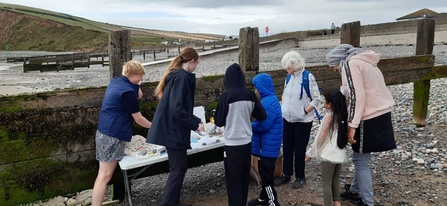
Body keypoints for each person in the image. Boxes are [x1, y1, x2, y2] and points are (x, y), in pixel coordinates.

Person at [326, 44, 396, 206]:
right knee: (363, 156)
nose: (334, 69)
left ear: (340, 60)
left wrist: (352, 126)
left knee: (360, 162)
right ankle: (355, 190)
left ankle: (367, 202)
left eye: (333, 65)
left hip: (367, 117)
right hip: (381, 114)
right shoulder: (367, 62)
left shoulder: (350, 65)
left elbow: (357, 97)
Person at [146, 47, 204, 206]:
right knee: (178, 170)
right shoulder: (181, 78)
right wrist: (195, 125)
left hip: (172, 130)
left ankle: (174, 202)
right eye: (196, 63)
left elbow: (179, 108)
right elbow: (177, 110)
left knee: (178, 168)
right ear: (191, 61)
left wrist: (196, 119)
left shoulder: (177, 76)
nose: (196, 67)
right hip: (173, 132)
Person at [92, 60, 152, 206]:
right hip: (113, 136)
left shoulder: (117, 82)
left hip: (103, 133)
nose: (142, 79)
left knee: (103, 175)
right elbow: (138, 119)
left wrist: (137, 84)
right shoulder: (127, 92)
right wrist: (155, 127)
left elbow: (140, 95)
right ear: (131, 74)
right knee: (104, 176)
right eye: (140, 76)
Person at [214, 63, 267, 206]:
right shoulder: (250, 94)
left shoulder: (226, 96)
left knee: (233, 181)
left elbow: (218, 121)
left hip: (232, 144)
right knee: (244, 179)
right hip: (246, 142)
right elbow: (262, 115)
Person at [274, 51, 323, 189]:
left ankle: (300, 176)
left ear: (294, 64)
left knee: (299, 148)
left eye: (287, 66)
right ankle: (286, 173)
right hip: (287, 118)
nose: (285, 69)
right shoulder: (288, 77)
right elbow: (284, 94)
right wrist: (283, 107)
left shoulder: (308, 77)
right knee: (287, 147)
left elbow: (318, 98)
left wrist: (304, 111)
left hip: (303, 120)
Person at [305, 88, 349, 206]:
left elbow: (321, 137)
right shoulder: (343, 117)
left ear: (330, 105)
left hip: (329, 155)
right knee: (335, 180)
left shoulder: (329, 118)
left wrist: (310, 153)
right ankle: (337, 202)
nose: (323, 102)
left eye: (325, 101)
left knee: (326, 184)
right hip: (339, 153)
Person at [247, 73, 283, 206]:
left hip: (267, 148)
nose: (255, 91)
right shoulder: (271, 100)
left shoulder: (267, 103)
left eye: (256, 88)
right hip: (268, 146)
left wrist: (248, 126)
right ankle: (263, 198)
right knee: (264, 173)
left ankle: (273, 201)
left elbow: (263, 126)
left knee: (267, 177)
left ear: (262, 88)